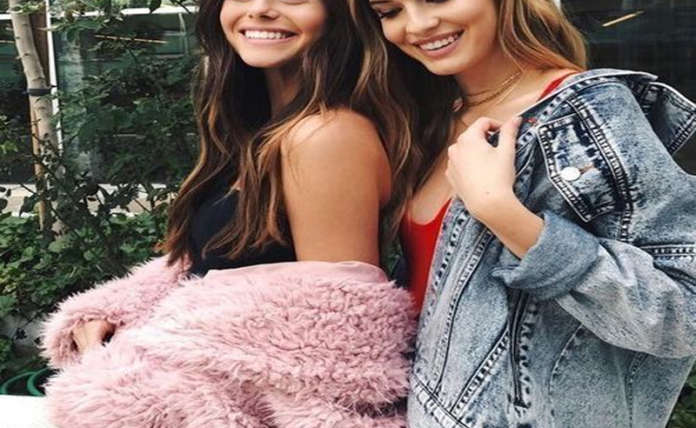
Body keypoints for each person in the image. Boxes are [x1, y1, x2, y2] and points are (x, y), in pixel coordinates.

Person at [27, 0, 422, 426]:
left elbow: (335, 340)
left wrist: (137, 374)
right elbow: (217, 270)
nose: (260, 9)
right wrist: (120, 316)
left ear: (339, 13)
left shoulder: (325, 135)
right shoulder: (257, 131)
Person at [349, 0, 696, 426]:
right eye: (390, 11)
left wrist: (504, 214)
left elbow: (685, 313)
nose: (418, 25)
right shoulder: (431, 121)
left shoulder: (586, 111)